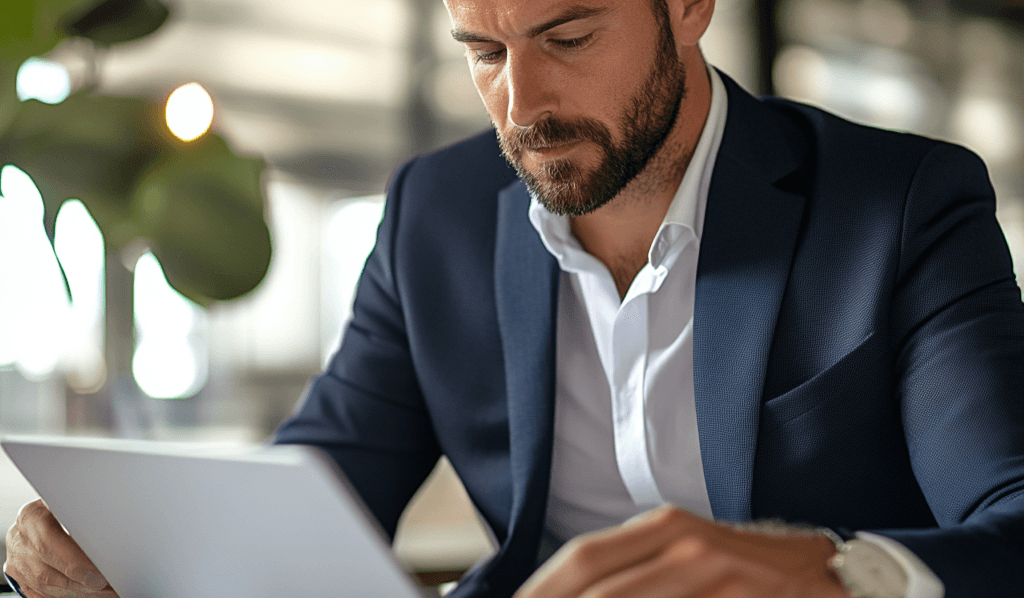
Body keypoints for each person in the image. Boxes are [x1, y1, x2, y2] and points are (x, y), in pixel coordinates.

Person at [6, 0, 1024, 596]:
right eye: (484, 53)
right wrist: (136, 562)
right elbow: (315, 493)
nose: (522, 106)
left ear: (688, 8)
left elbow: (1012, 522)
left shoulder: (898, 205)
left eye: (568, 37)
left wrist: (826, 573)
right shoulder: (435, 214)